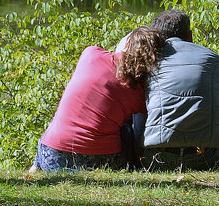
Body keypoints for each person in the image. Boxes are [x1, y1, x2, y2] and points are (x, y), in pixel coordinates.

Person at [30, 26, 165, 173]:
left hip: (51, 157)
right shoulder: (137, 93)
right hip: (98, 162)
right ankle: (137, 166)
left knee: (63, 117)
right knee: (128, 124)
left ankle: (35, 167)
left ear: (126, 44)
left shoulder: (90, 54)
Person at [129, 9, 219, 171]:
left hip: (156, 161)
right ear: (189, 35)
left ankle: (132, 163)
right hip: (208, 161)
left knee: (135, 108)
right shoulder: (212, 58)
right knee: (217, 107)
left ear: (156, 37)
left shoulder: (148, 58)